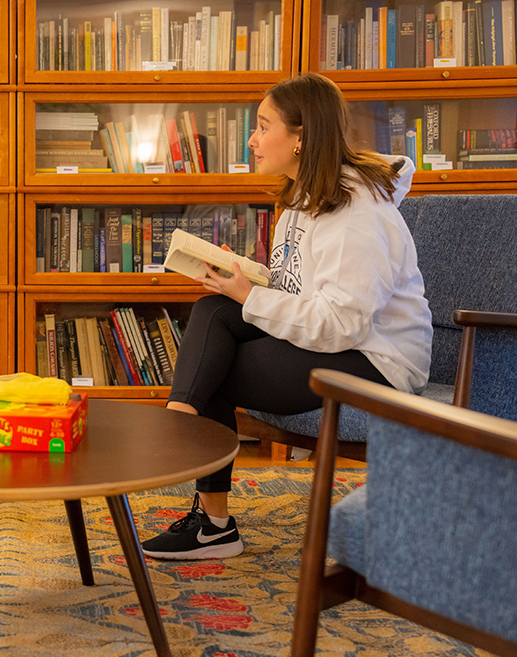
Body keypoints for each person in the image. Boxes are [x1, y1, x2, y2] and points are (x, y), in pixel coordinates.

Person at [141, 73, 433, 560]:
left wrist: (251, 298)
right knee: (214, 309)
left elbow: (346, 322)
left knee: (217, 367)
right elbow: (299, 288)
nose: (252, 140)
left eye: (262, 126)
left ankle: (206, 508)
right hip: (334, 340)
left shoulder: (358, 214)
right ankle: (183, 434)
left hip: (375, 358)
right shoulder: (301, 200)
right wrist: (246, 282)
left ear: (300, 137)